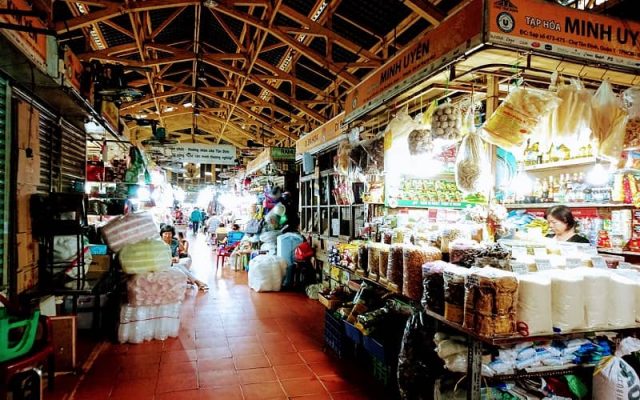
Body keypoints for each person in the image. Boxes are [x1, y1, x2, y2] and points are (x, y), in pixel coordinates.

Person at [160, 225, 208, 291]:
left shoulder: (174, 242)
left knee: (182, 263)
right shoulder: (159, 244)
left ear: (172, 234)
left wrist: (176, 256)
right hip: (162, 264)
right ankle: (197, 282)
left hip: (172, 263)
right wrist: (170, 259)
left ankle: (189, 280)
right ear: (161, 234)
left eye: (169, 234)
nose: (167, 236)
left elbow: (181, 252)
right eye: (165, 234)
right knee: (179, 266)